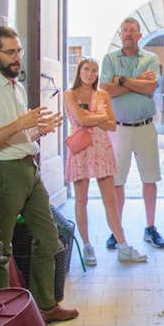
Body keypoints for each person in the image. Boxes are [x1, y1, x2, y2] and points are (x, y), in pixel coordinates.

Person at [0, 25, 78, 323]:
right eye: (10, 52)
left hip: (29, 168)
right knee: (1, 246)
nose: (18, 58)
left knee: (49, 238)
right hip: (3, 171)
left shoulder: (15, 86)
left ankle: (45, 305)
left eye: (19, 51)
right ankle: (3, 315)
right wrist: (20, 125)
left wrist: (37, 131)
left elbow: (16, 132)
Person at [63, 58, 147, 265]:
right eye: (86, 69)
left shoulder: (102, 94)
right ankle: (87, 245)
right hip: (81, 149)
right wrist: (99, 117)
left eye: (94, 70)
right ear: (79, 72)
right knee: (81, 200)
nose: (90, 74)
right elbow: (81, 121)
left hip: (101, 149)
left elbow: (111, 125)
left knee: (110, 201)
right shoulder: (69, 94)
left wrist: (92, 117)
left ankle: (123, 246)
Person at [100, 17, 164, 251]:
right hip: (118, 129)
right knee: (117, 181)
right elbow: (106, 90)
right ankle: (116, 230)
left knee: (150, 179)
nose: (128, 34)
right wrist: (136, 82)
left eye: (133, 30)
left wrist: (122, 81)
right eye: (125, 30)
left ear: (139, 35)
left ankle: (150, 227)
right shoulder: (109, 59)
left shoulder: (150, 58)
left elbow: (150, 87)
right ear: (120, 35)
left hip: (145, 127)